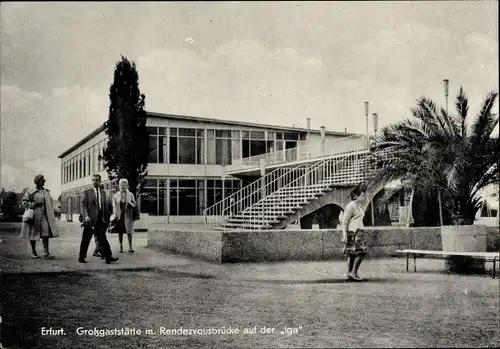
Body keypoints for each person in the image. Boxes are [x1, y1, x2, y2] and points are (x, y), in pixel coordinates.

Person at [79, 174, 119, 264]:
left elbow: (105, 206)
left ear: (100, 181)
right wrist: (86, 216)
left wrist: (107, 217)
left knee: (103, 239)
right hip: (90, 220)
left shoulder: (103, 193)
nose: (95, 181)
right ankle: (81, 257)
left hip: (100, 221)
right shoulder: (87, 192)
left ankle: (108, 257)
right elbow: (83, 205)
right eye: (93, 180)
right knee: (86, 239)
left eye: (97, 180)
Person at [20, 174, 59, 259]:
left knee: (46, 232)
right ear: (38, 181)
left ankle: (46, 252)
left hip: (44, 216)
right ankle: (34, 251)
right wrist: (35, 203)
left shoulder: (46, 191)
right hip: (34, 216)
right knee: (33, 233)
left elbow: (49, 205)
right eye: (43, 179)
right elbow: (24, 203)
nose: (44, 181)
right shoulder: (30, 191)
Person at [341, 186, 369, 281]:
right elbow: (344, 221)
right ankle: (353, 272)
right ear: (356, 196)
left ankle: (349, 274)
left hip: (358, 232)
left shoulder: (357, 206)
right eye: (361, 195)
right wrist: (344, 235)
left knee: (352, 253)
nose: (363, 197)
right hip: (354, 232)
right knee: (362, 251)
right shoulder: (351, 206)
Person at [112, 178, 137, 253]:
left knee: (129, 232)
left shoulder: (131, 194)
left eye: (125, 185)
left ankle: (130, 247)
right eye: (121, 185)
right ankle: (121, 247)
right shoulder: (115, 195)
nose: (123, 186)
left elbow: (134, 204)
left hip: (128, 215)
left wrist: (130, 203)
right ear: (119, 186)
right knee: (120, 232)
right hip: (120, 216)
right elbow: (114, 206)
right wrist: (115, 215)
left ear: (127, 186)